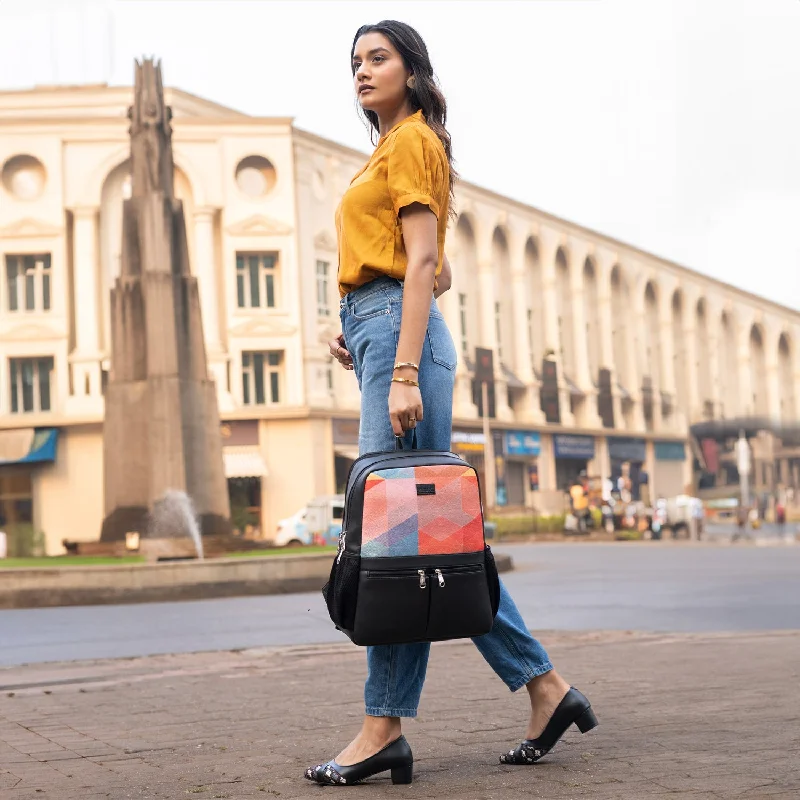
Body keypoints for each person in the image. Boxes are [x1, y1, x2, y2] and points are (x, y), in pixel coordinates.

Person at [304, 21, 597, 787]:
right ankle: (545, 689)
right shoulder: (391, 147)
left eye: (378, 58)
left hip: (401, 342)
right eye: (355, 62)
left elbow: (426, 261)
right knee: (427, 539)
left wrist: (401, 366)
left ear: (412, 68)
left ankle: (383, 727)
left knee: (400, 541)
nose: (362, 71)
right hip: (381, 334)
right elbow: (422, 269)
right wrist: (366, 344)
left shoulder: (414, 141)